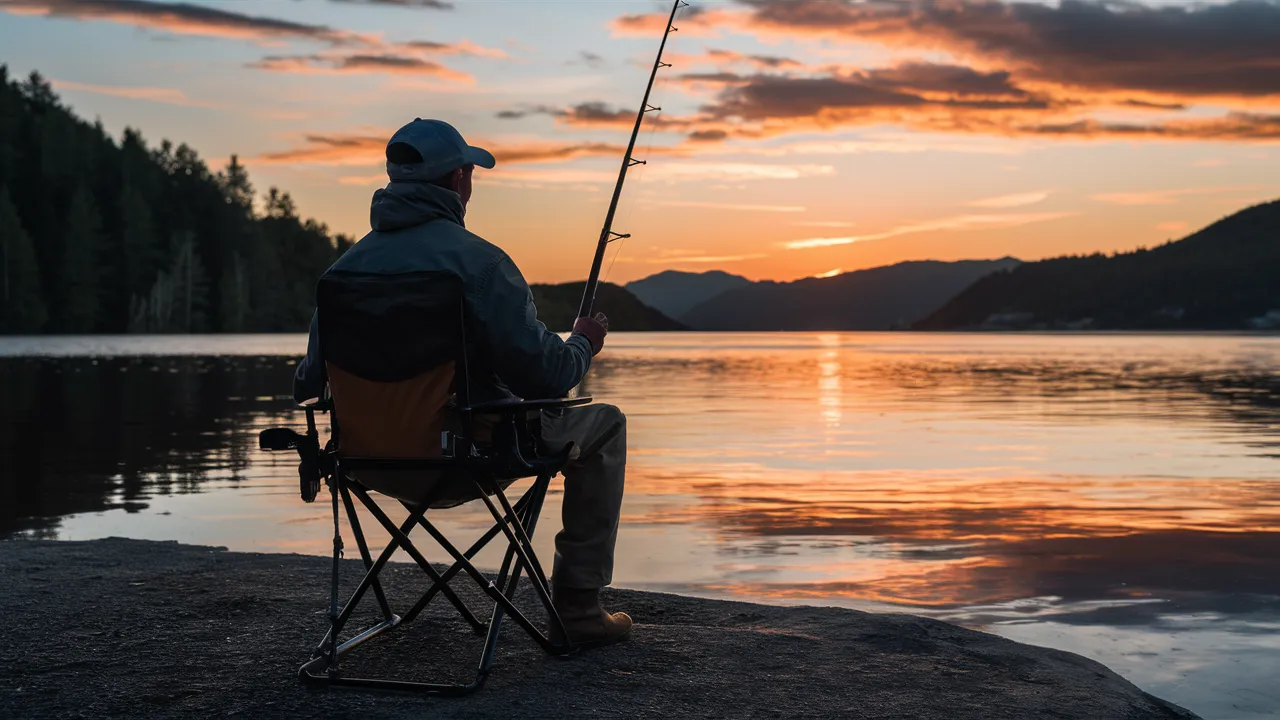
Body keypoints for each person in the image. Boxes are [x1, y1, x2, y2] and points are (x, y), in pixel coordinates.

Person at [291, 118, 631, 647]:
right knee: (605, 424)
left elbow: (307, 384)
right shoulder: (482, 265)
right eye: (469, 173)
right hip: (468, 457)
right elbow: (550, 376)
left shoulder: (340, 275)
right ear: (457, 181)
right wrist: (583, 342)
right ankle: (578, 610)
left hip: (365, 462)